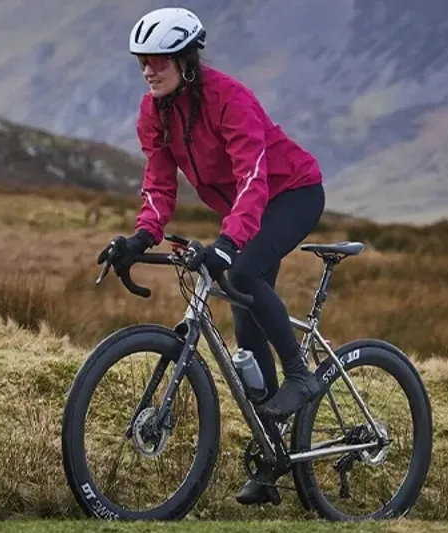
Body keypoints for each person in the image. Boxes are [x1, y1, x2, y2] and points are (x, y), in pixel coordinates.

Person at [98, 7, 326, 505]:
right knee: (244, 324)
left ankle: (302, 377)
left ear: (186, 61)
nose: (147, 69)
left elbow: (253, 177)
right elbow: (159, 182)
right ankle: (271, 464)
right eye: (142, 60)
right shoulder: (154, 111)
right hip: (249, 208)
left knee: (241, 272)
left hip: (292, 193)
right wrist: (140, 238)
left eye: (157, 60)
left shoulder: (231, 99)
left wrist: (227, 243)